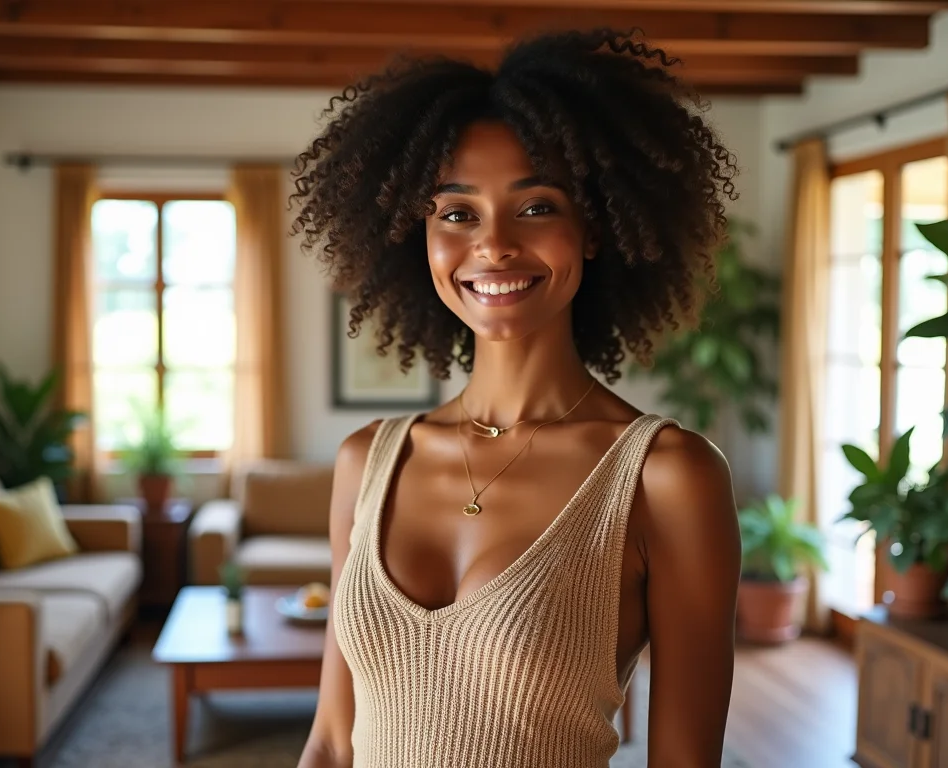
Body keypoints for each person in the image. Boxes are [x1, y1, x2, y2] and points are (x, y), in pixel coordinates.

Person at [290, 26, 742, 768]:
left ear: (592, 228)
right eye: (457, 213)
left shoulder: (668, 477)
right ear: (420, 234)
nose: (493, 244)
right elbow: (333, 742)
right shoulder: (365, 461)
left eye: (535, 207)